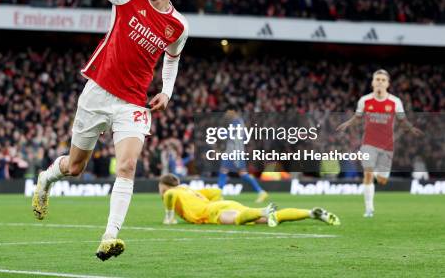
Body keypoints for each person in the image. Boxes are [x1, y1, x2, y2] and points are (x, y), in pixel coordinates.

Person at [31, 0, 190, 261]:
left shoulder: (178, 26)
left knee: (127, 166)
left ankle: (109, 236)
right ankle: (44, 179)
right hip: (98, 91)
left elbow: (173, 58)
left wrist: (167, 91)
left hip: (132, 104)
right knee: (74, 167)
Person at [337, 69, 422, 218]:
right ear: (372, 82)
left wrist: (411, 128)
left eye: (383, 80)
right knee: (368, 174)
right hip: (368, 144)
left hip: (387, 146)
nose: (380, 82)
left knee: (382, 180)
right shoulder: (364, 100)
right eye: (377, 79)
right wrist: (347, 124)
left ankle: (376, 174)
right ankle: (369, 209)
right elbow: (358, 117)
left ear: (388, 84)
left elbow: (402, 120)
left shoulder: (395, 102)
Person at [158, 174, 340, 226]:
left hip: (212, 212)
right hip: (224, 204)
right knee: (272, 218)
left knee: (236, 220)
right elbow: (214, 191)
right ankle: (311, 213)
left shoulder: (172, 192)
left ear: (164, 186)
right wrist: (218, 200)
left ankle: (262, 211)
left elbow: (170, 195)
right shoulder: (188, 189)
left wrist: (169, 216)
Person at [217, 109, 268, 203]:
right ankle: (261, 191)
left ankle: (218, 195)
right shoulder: (238, 122)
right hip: (236, 151)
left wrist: (222, 132)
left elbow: (232, 135)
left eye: (229, 113)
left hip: (234, 152)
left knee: (224, 171)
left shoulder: (236, 122)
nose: (227, 115)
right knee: (242, 174)